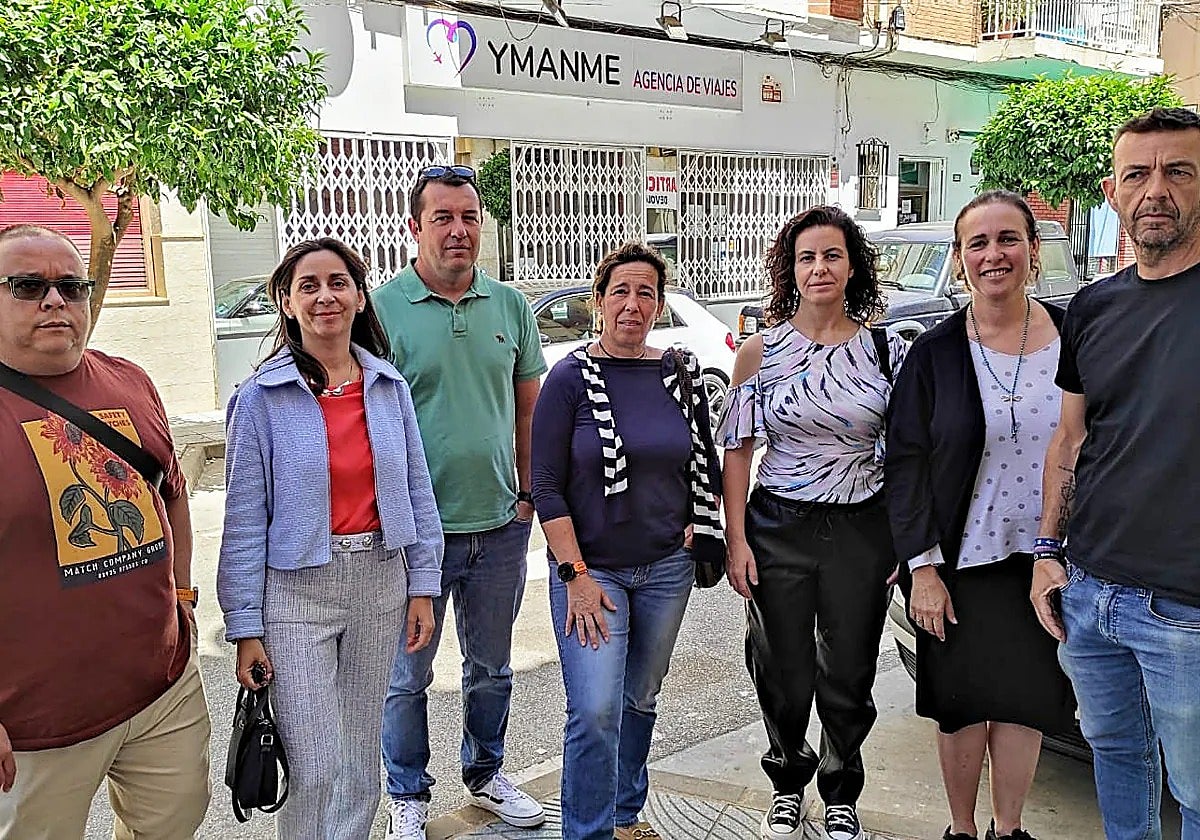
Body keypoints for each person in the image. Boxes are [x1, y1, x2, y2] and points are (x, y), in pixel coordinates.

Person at [217, 238, 443, 840]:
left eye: (338, 282)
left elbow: (418, 492)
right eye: (308, 285)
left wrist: (422, 586)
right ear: (286, 303)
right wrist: (243, 627)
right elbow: (242, 518)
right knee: (316, 765)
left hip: (380, 584)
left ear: (360, 296)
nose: (325, 296)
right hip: (297, 593)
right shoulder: (260, 399)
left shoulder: (388, 388)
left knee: (359, 763)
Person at [0, 225, 209, 838]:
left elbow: (171, 494)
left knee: (175, 821)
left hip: (160, 692)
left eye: (71, 285)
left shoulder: (131, 381)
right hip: (38, 725)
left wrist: (182, 593)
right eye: (26, 286)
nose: (55, 300)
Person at [1030, 107, 1200, 840]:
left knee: (1197, 789)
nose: (1155, 190)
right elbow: (1069, 440)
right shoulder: (1093, 307)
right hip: (1090, 592)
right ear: (1112, 190)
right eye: (1137, 174)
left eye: (1179, 171)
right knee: (1118, 757)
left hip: (1186, 609)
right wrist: (1045, 553)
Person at [885, 192, 1075, 840]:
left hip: (1044, 563)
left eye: (1008, 239)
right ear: (962, 261)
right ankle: (963, 830)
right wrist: (922, 569)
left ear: (1033, 251)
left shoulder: (1072, 339)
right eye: (978, 244)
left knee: (1024, 703)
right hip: (958, 564)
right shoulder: (933, 354)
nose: (994, 254)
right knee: (961, 710)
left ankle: (1009, 828)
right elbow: (904, 463)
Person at [718, 206, 906, 840]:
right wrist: (737, 539)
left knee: (849, 666)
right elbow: (738, 451)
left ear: (852, 265)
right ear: (790, 270)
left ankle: (841, 786)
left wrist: (905, 545)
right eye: (806, 257)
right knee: (780, 664)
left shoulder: (886, 348)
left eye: (831, 255)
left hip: (861, 528)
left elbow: (908, 453)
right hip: (778, 526)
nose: (819, 268)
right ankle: (788, 782)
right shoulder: (761, 350)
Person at [373, 165, 548, 840]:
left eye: (469, 217)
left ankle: (486, 775)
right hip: (415, 537)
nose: (458, 230)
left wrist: (529, 496)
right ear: (413, 227)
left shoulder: (509, 306)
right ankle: (408, 795)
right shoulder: (381, 311)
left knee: (491, 668)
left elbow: (529, 413)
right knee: (405, 677)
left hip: (500, 528)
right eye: (442, 217)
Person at [531, 242, 722, 840]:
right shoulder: (567, 379)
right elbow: (544, 485)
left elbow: (700, 458)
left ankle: (625, 812)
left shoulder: (677, 373)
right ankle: (587, 830)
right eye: (621, 291)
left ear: (659, 304)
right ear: (598, 302)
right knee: (594, 711)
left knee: (639, 698)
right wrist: (576, 575)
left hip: (667, 567)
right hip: (591, 572)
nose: (633, 304)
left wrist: (700, 521)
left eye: (646, 293)